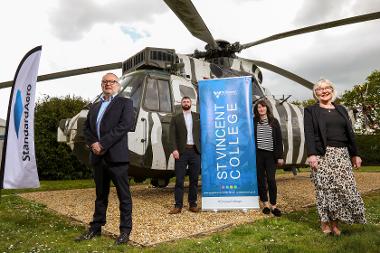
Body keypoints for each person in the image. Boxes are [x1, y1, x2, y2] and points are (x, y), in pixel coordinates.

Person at [75, 73, 134, 245]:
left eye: (112, 81)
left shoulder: (125, 103)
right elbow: (86, 128)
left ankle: (124, 232)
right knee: (100, 196)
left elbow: (125, 125)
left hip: (117, 158)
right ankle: (96, 227)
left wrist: (103, 144)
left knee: (124, 196)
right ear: (102, 85)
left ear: (118, 85)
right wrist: (93, 143)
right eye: (105, 82)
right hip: (98, 158)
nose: (108, 84)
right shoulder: (94, 106)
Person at [304, 79, 366, 236]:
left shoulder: (341, 109)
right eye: (320, 89)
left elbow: (350, 133)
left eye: (327, 88)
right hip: (322, 154)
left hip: (342, 154)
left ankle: (335, 223)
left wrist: (355, 154)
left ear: (332, 90)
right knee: (325, 190)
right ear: (315, 93)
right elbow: (309, 133)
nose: (324, 91)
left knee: (343, 189)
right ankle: (325, 222)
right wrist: (311, 154)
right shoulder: (311, 110)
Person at [168, 96, 201, 214]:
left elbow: (203, 133)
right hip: (181, 152)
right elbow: (171, 135)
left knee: (194, 179)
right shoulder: (176, 118)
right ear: (181, 103)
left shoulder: (198, 117)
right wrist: (174, 149)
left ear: (191, 103)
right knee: (179, 180)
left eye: (188, 101)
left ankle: (193, 204)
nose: (186, 103)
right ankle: (178, 205)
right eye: (184, 101)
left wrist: (201, 148)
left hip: (195, 152)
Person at [253, 99, 284, 217]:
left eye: (263, 107)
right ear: (257, 110)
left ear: (267, 108)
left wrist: (280, 156)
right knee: (261, 180)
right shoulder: (254, 121)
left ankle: (274, 205)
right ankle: (265, 204)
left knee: (271, 180)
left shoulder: (274, 121)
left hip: (271, 155)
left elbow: (279, 139)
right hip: (258, 154)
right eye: (259, 107)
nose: (261, 109)